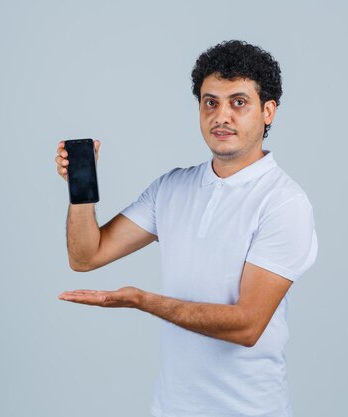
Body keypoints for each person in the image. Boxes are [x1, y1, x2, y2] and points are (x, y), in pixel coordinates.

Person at [54, 40, 318, 417]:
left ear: (268, 111)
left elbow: (247, 326)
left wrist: (143, 301)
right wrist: (80, 190)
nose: (221, 116)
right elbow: (85, 256)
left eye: (238, 102)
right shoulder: (172, 188)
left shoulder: (283, 203)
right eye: (210, 102)